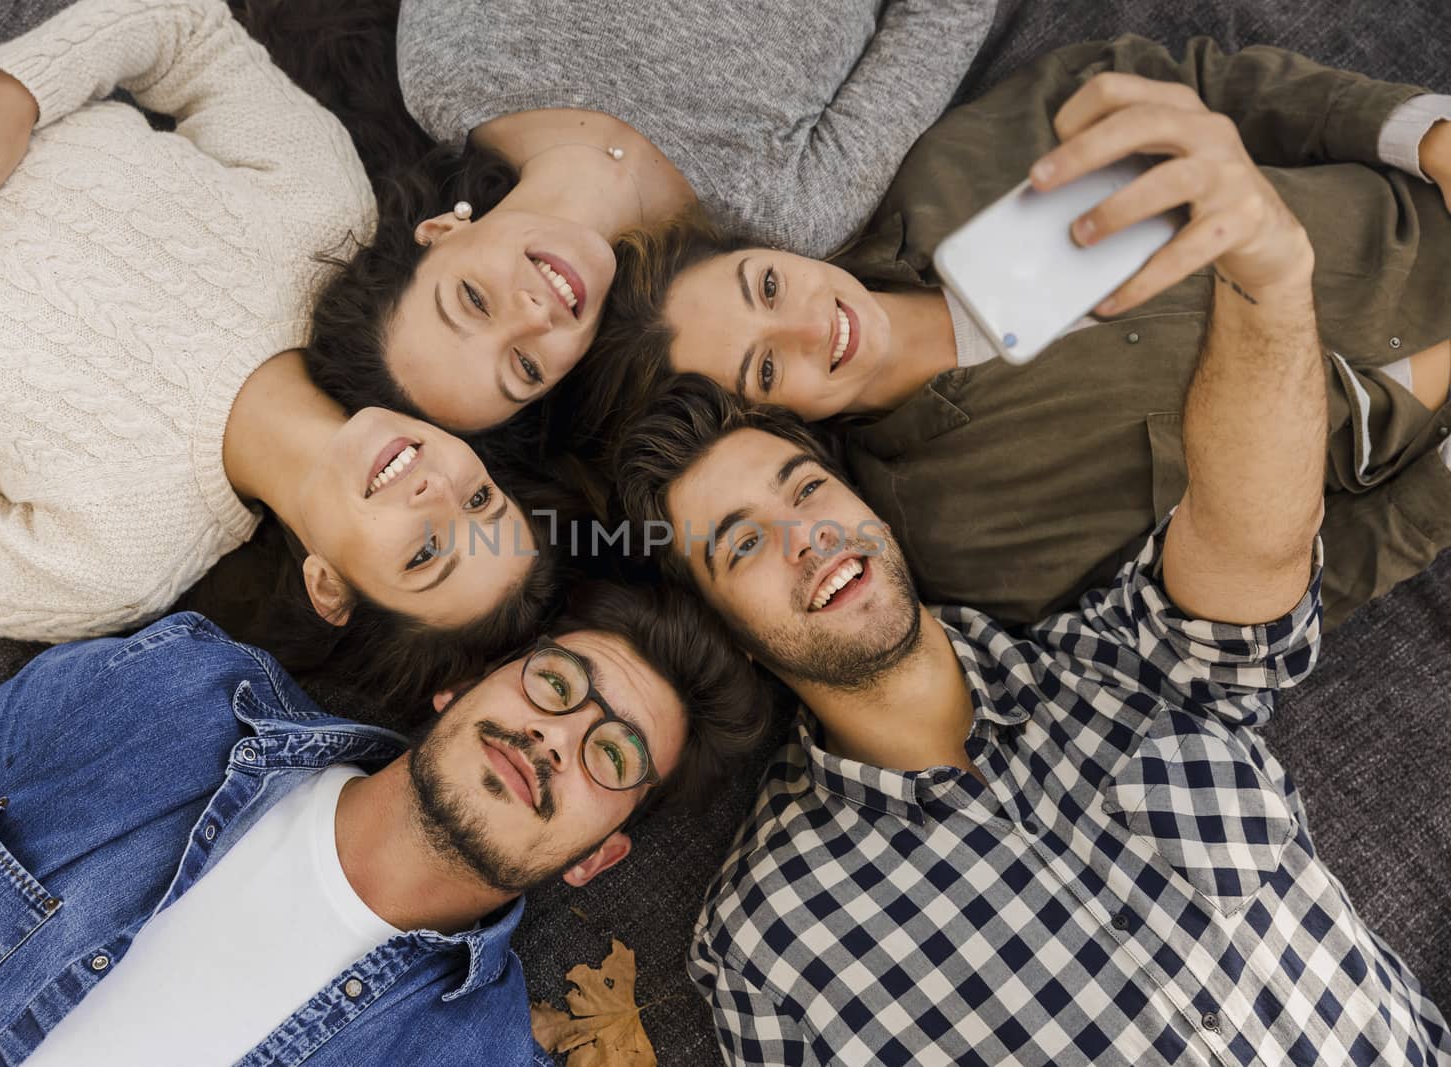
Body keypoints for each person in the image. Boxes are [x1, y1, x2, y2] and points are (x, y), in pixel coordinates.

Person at [612, 87, 1451, 1063]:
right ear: (731, 629)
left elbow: (1246, 535)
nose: (804, 535)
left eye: (803, 486)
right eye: (742, 544)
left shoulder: (1115, 661)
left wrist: (1267, 277)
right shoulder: (764, 940)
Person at [582, 37, 1451, 629]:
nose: (813, 322)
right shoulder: (962, 539)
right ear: (774, 424)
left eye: (768, 284)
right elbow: (1293, 587)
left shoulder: (955, 162)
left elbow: (1205, 87)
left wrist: (1433, 139)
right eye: (766, 368)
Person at [0, 0, 556, 696]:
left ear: (329, 587)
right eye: (481, 498)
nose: (440, 495)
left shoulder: (116, 565)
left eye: (427, 551)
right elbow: (187, 29)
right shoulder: (325, 225)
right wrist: (20, 92)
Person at [0, 582, 769, 1065]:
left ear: (597, 857)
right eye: (558, 684)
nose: (555, 737)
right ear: (457, 685)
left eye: (613, 756)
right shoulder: (176, 695)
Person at [241, 0, 996, 432]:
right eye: (525, 367)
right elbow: (945, 16)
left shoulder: (449, 65)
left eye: (472, 299)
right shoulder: (780, 222)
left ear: (443, 232)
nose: (532, 313)